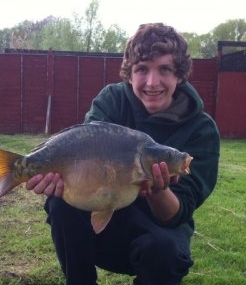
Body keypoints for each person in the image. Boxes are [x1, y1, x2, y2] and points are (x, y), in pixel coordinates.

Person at [26, 23, 220, 285]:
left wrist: (157, 188)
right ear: (129, 75)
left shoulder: (201, 129)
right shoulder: (112, 101)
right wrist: (51, 174)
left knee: (166, 251)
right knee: (59, 203)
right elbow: (82, 143)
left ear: (180, 75)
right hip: (101, 221)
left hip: (156, 235)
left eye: (164, 69)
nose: (152, 82)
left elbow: (178, 213)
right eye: (142, 69)